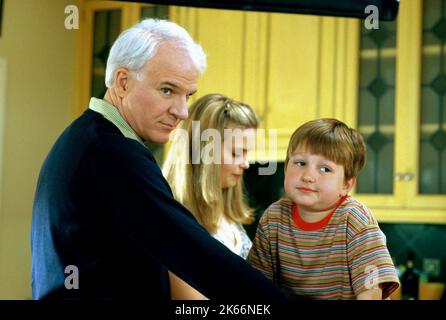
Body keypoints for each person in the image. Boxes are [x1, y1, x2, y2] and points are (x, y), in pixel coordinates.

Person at [30, 18, 290, 300]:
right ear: (122, 82)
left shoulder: (85, 137)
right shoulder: (115, 155)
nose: (181, 111)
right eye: (167, 90)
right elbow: (192, 253)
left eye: (187, 96)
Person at [247, 118, 400, 300]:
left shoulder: (355, 219)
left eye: (325, 169)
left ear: (346, 184)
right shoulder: (273, 218)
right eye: (300, 163)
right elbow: (255, 283)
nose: (308, 176)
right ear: (286, 167)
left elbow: (371, 291)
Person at [162, 93, 258, 299]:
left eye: (247, 153)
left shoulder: (227, 215)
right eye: (236, 153)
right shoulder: (174, 222)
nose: (246, 163)